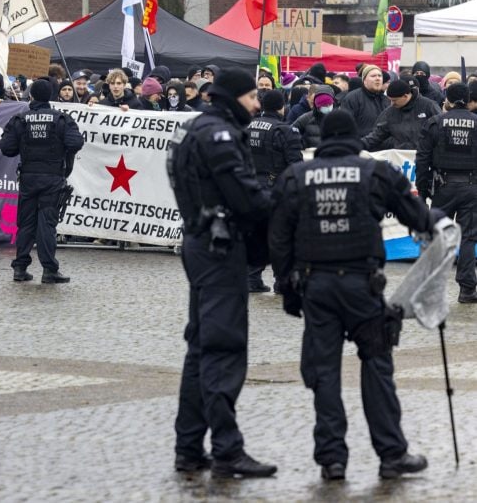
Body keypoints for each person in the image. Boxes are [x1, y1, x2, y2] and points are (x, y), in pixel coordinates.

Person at [270, 110, 438, 481]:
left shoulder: (296, 177)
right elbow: (416, 215)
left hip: (317, 287)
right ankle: (392, 454)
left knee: (324, 372)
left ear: (325, 138)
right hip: (362, 286)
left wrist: (286, 284)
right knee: (377, 367)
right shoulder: (374, 172)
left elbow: (279, 236)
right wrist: (438, 223)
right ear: (352, 137)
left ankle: (332, 460)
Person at [167, 67, 275, 478]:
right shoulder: (221, 136)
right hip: (219, 248)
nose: (257, 104)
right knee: (222, 349)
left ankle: (189, 448)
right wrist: (283, 204)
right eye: (252, 97)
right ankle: (228, 450)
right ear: (233, 98)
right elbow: (245, 197)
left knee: (200, 349)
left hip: (201, 242)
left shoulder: (195, 130)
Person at [0, 79, 83, 283]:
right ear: (51, 96)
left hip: (28, 177)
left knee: (26, 223)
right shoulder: (61, 119)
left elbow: (7, 148)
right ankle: (49, 270)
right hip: (52, 178)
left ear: (32, 96)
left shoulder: (20, 119)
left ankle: (20, 268)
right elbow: (76, 142)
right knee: (46, 223)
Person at [416, 82, 477, 303]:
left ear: (448, 99)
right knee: (468, 237)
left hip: (442, 187)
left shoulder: (434, 123)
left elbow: (422, 160)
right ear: (469, 98)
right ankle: (468, 289)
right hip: (471, 186)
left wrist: (422, 192)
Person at [246, 89, 303, 292]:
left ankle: (252, 279)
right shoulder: (285, 130)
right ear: (282, 107)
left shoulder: (248, 126)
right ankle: (282, 281)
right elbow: (296, 164)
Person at [362, 76, 440, 151]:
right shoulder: (390, 112)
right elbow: (376, 136)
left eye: (394, 100)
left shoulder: (429, 106)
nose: (392, 104)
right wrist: (358, 145)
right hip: (401, 159)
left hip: (425, 157)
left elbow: (442, 130)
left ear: (405, 96)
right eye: (390, 100)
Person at [339, 65, 387, 137]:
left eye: (380, 76)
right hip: (362, 145)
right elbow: (345, 125)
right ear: (364, 80)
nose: (378, 78)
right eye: (373, 76)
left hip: (386, 147)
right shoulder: (352, 98)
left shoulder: (387, 100)